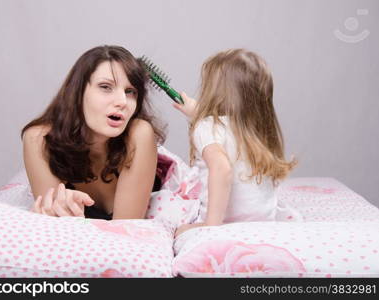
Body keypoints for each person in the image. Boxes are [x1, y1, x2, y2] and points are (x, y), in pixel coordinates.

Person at [22, 45, 165, 220]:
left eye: (130, 92)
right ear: (78, 92)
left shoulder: (139, 134)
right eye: (105, 87)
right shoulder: (38, 139)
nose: (122, 102)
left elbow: (126, 230)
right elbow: (54, 222)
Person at [173, 48, 297, 236]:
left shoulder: (206, 127)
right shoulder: (259, 129)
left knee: (174, 221)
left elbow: (222, 168)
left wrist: (210, 226)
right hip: (264, 224)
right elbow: (228, 130)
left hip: (223, 225)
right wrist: (199, 115)